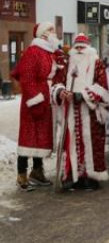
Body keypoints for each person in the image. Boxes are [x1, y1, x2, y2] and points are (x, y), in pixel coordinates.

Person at [52, 34, 109, 191]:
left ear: (89, 49)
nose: (79, 50)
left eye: (82, 47)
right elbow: (57, 82)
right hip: (71, 112)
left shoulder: (97, 63)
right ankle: (74, 176)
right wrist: (61, 92)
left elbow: (103, 88)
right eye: (76, 47)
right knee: (72, 144)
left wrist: (80, 95)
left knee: (92, 145)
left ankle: (91, 178)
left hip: (90, 113)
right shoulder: (67, 63)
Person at [12, 22, 60, 190]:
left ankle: (37, 172)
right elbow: (26, 77)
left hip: (44, 100)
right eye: (51, 30)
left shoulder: (48, 53)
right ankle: (21, 175)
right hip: (34, 102)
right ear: (43, 34)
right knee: (27, 138)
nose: (54, 33)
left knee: (39, 137)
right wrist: (35, 98)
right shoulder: (33, 52)